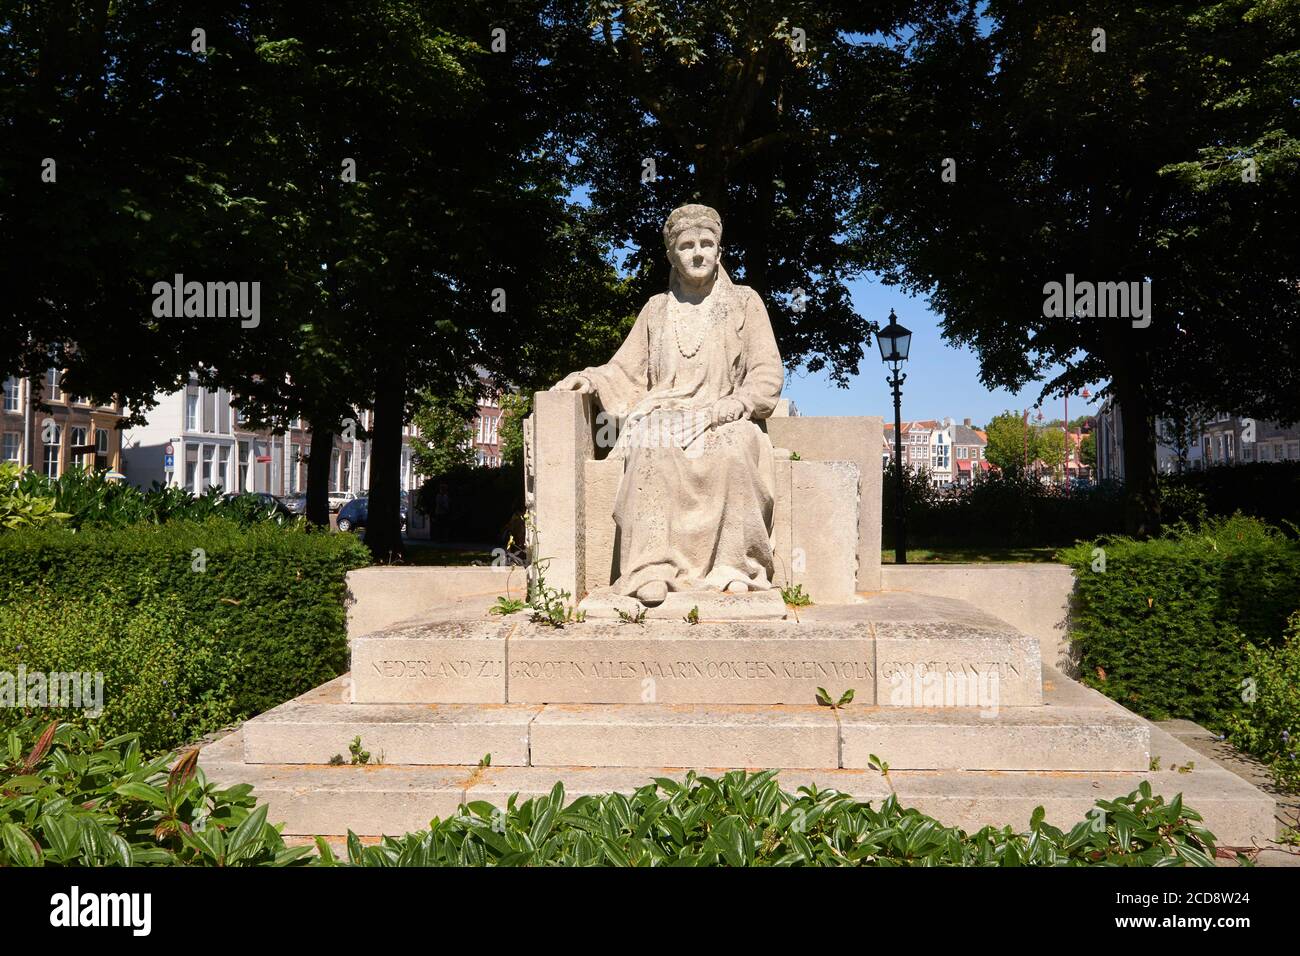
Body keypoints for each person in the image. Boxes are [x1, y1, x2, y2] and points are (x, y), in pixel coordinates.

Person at [551, 204, 783, 606]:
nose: (698, 253)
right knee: (651, 450)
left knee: (731, 450)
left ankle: (735, 567)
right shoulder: (656, 310)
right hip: (666, 417)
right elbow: (625, 369)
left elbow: (767, 374)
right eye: (687, 245)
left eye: (707, 244)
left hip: (725, 415)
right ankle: (650, 569)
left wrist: (734, 404)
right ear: (672, 255)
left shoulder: (745, 303)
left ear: (719, 252)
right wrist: (590, 378)